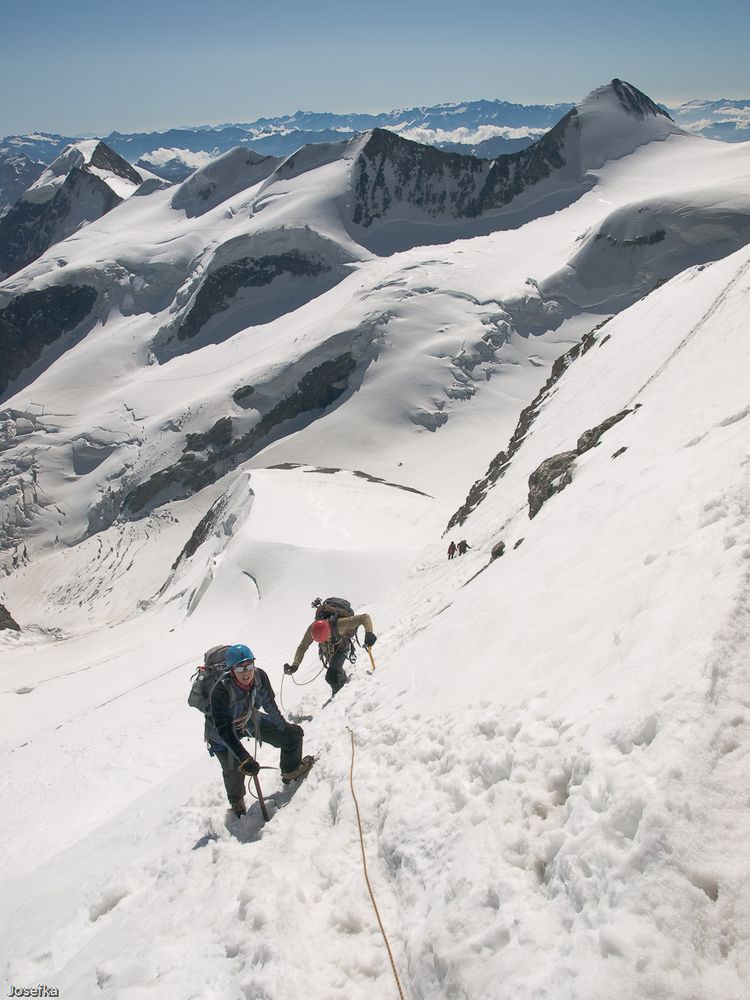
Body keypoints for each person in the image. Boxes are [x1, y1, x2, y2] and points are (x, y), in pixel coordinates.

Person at [207, 643, 310, 817]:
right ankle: (237, 805)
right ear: (231, 670)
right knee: (234, 769)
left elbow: (269, 703)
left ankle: (291, 771)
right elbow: (224, 729)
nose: (246, 672)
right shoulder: (221, 691)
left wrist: (284, 727)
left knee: (292, 735)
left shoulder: (259, 677)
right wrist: (244, 758)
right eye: (240, 669)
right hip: (220, 733)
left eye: (249, 666)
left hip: (247, 719)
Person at [284, 602, 377, 697]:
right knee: (335, 669)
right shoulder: (313, 629)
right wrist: (295, 664)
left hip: (342, 646)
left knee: (331, 677)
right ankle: (343, 683)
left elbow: (364, 617)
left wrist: (369, 633)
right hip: (328, 650)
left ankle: (340, 696)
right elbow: (303, 646)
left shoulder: (339, 624)